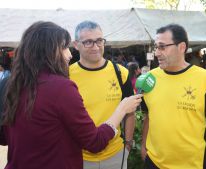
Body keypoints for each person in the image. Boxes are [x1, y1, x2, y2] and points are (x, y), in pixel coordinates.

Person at [0, 21, 142, 169]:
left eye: (99, 40)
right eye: (64, 48)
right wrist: (121, 109)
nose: (68, 54)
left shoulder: (9, 83)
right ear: (47, 50)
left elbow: (4, 137)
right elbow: (94, 142)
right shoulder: (62, 85)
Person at [141, 24, 206, 169]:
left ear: (181, 47)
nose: (157, 53)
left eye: (162, 47)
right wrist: (144, 148)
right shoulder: (149, 79)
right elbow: (149, 116)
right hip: (154, 163)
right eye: (156, 47)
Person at [70, 20, 135, 169]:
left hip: (116, 155)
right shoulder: (67, 76)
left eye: (99, 40)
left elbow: (130, 113)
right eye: (88, 42)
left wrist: (128, 144)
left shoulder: (121, 73)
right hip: (79, 156)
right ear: (76, 45)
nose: (96, 47)